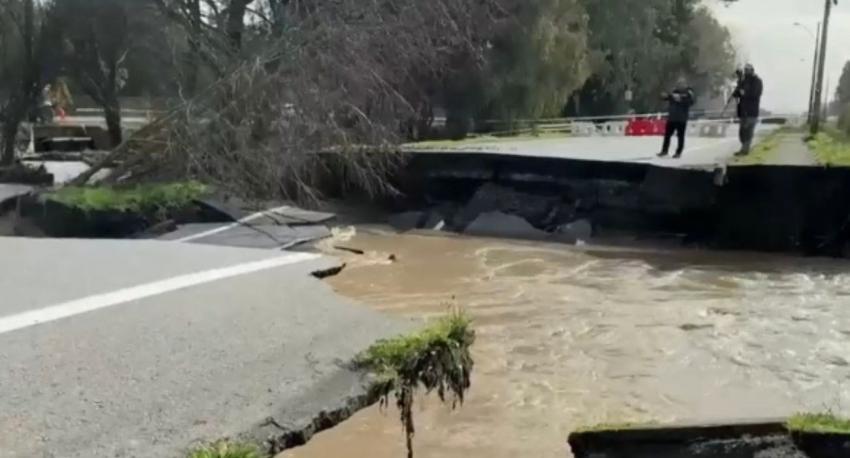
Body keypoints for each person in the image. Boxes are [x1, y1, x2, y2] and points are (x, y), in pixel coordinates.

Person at [658, 77, 696, 159]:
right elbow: (668, 97)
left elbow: (691, 102)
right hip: (672, 118)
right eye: (678, 83)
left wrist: (681, 100)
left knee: (680, 136)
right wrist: (664, 96)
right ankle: (664, 151)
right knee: (667, 135)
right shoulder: (674, 91)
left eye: (681, 83)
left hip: (681, 118)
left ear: (685, 84)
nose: (679, 85)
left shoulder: (689, 92)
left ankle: (678, 152)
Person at [733, 63, 763, 156]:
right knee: (742, 132)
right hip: (742, 110)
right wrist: (739, 87)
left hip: (752, 111)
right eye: (745, 70)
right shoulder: (743, 81)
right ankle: (744, 148)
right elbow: (736, 94)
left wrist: (744, 93)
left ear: (752, 70)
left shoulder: (757, 81)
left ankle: (744, 150)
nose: (746, 72)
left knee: (748, 132)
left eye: (747, 70)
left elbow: (755, 94)